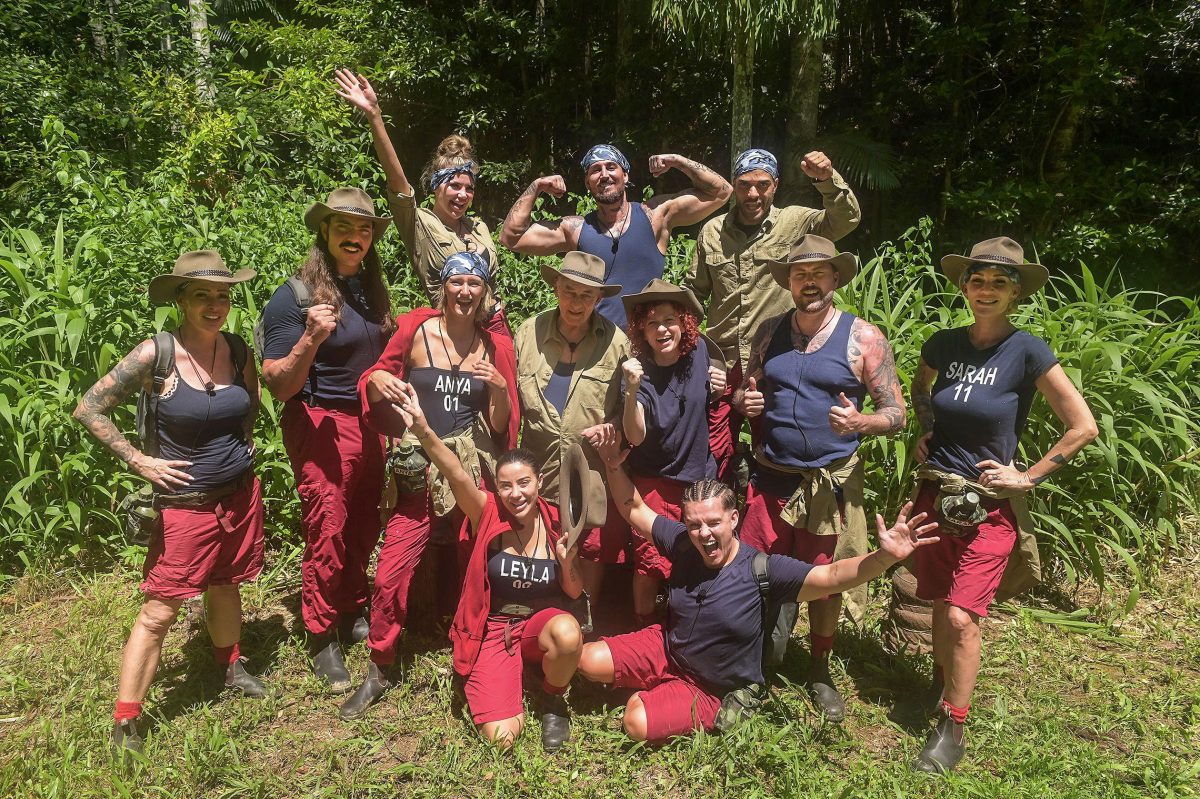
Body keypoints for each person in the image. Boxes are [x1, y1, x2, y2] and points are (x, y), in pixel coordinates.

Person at [576, 436, 939, 744]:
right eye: (694, 524)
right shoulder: (684, 544)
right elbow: (635, 508)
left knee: (635, 721)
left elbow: (830, 576)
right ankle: (657, 685)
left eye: (714, 522)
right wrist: (612, 466)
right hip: (667, 648)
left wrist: (883, 557)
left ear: (734, 519)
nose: (704, 533)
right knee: (587, 660)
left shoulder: (762, 569)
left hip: (710, 687)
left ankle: (667, 698)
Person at [907, 237, 1097, 773]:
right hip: (938, 495)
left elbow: (1083, 426)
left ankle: (954, 727)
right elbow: (921, 387)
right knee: (941, 600)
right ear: (964, 287)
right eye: (977, 280)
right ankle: (942, 689)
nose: (985, 290)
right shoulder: (944, 343)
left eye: (998, 282)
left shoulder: (1027, 350)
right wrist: (926, 429)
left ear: (1015, 293)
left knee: (962, 615)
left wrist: (1027, 477)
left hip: (990, 504)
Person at [73, 250, 266, 756]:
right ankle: (126, 718)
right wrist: (140, 460)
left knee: (225, 583)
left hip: (238, 493)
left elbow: (249, 401)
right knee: (160, 610)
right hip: (186, 503)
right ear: (180, 299)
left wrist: (244, 442)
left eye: (222, 295)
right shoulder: (154, 354)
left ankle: (229, 665)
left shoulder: (237, 349)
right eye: (202, 295)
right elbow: (88, 407)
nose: (215, 305)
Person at [734, 234, 906, 722]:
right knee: (753, 570)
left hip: (827, 484)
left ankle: (819, 668)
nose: (809, 282)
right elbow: (747, 392)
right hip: (770, 477)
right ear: (788, 282)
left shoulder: (863, 338)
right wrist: (745, 403)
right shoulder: (769, 332)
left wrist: (861, 422)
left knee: (825, 578)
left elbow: (896, 412)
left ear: (835, 278)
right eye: (800, 274)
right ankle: (753, 664)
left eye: (818, 273)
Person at [340, 251, 518, 719]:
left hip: (469, 469)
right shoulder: (415, 330)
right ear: (443, 287)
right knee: (390, 571)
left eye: (474, 284)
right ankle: (381, 664)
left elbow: (502, 425)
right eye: (457, 282)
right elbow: (376, 376)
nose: (465, 291)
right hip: (417, 464)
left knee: (473, 561)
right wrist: (380, 378)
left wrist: (500, 387)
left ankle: (472, 650)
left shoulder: (494, 346)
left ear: (485, 292)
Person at [388, 382, 585, 751]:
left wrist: (567, 561)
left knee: (568, 632)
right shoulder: (487, 512)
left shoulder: (555, 521)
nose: (516, 493)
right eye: (506, 485)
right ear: (498, 487)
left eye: (524, 483)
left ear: (539, 482)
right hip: (494, 629)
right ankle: (502, 674)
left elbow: (574, 590)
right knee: (503, 738)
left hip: (537, 626)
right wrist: (423, 429)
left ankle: (552, 698)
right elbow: (456, 473)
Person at [259, 188, 394, 693]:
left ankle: (352, 606)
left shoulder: (370, 289)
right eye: (344, 227)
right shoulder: (294, 296)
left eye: (363, 229)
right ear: (324, 231)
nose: (355, 237)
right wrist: (311, 337)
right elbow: (277, 383)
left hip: (369, 422)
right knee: (328, 527)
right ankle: (320, 633)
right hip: (320, 423)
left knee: (363, 523)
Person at [687, 148, 860, 482]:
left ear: (775, 185)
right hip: (723, 361)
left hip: (779, 359)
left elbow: (845, 219)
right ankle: (718, 507)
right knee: (713, 449)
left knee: (776, 444)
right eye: (744, 185)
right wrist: (690, 349)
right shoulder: (712, 231)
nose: (753, 193)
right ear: (734, 186)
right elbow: (694, 293)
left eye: (762, 184)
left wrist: (827, 180)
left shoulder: (797, 222)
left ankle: (766, 507)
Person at [333, 69, 510, 338]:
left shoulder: (479, 227)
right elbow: (397, 181)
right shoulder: (418, 223)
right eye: (454, 186)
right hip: (451, 332)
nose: (462, 195)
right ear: (436, 186)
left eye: (469, 188)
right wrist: (374, 115)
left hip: (496, 327)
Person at [500, 144, 732, 329]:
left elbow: (721, 192)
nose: (604, 175)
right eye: (595, 170)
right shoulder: (576, 229)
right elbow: (511, 238)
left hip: (648, 345)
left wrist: (678, 161)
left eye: (611, 167)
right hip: (596, 347)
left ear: (625, 175)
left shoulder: (655, 217)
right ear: (587, 183)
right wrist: (536, 186)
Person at [512, 251, 630, 606]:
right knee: (540, 543)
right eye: (569, 292)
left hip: (591, 469)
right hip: (538, 466)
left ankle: (585, 615)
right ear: (556, 288)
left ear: (599, 298)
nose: (576, 303)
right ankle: (542, 612)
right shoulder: (528, 333)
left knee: (589, 548)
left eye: (586, 295)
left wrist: (613, 426)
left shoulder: (617, 343)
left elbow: (628, 408)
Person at [619, 279, 724, 625]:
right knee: (649, 565)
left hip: (699, 481)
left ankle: (688, 628)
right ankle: (644, 629)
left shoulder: (700, 352)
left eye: (669, 320)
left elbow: (711, 392)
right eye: (652, 323)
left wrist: (720, 384)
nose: (662, 329)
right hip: (655, 482)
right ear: (641, 330)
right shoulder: (638, 371)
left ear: (684, 323)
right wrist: (631, 392)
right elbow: (635, 435)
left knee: (700, 557)